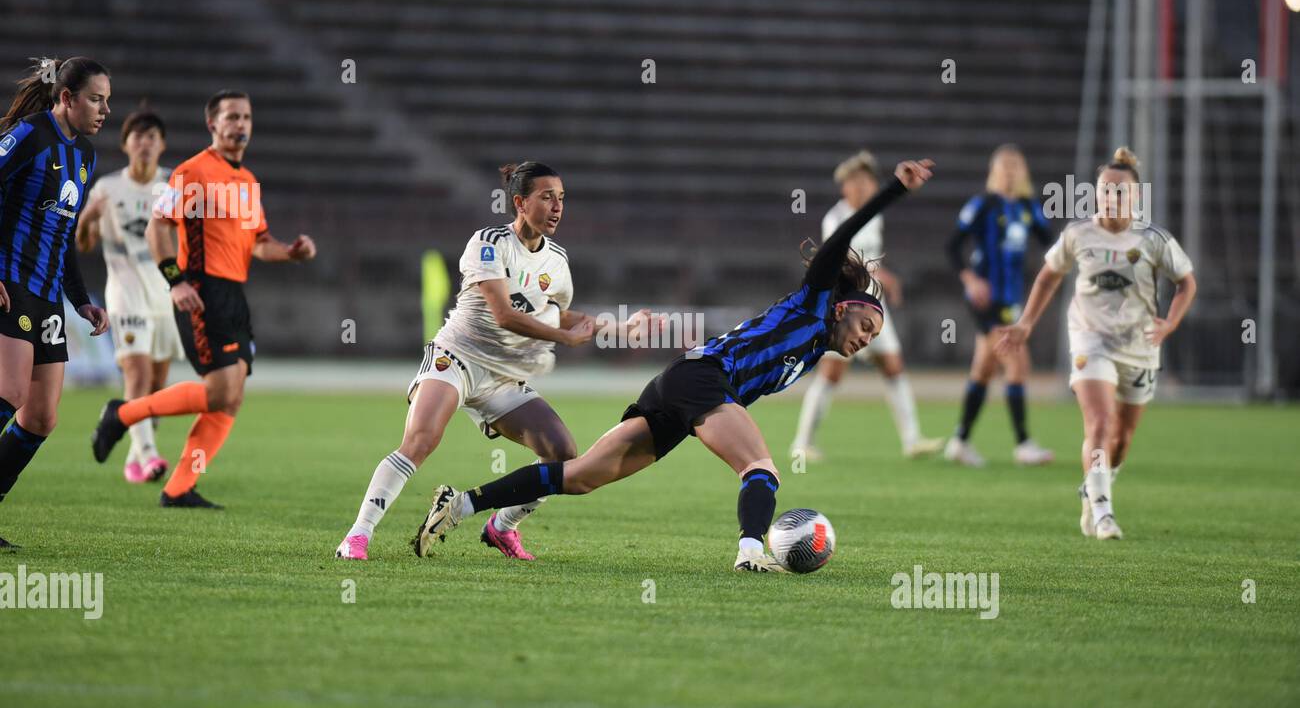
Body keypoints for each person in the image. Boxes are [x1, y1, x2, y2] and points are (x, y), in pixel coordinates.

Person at [413, 159, 935, 572]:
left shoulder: (819, 345)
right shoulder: (815, 301)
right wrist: (894, 190)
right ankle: (751, 550)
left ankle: (461, 504)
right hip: (703, 381)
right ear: (845, 308)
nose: (865, 342)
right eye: (867, 328)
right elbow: (842, 239)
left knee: (582, 477)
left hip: (682, 385)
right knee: (760, 468)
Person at [336, 161, 663, 561]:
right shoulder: (488, 242)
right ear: (520, 202)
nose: (558, 207)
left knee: (562, 454)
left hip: (503, 377)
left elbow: (557, 314)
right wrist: (563, 338)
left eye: (562, 198)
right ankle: (357, 536)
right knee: (421, 440)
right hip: (457, 358)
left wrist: (618, 326)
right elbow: (504, 314)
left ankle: (501, 527)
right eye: (547, 197)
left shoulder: (557, 261)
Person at [90, 89, 317, 507]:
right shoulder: (193, 172)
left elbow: (259, 243)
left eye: (246, 116)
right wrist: (175, 282)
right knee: (218, 392)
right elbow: (158, 228)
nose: (240, 124)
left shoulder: (247, 182)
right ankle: (122, 414)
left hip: (234, 292)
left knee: (231, 397)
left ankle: (178, 488)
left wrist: (290, 252)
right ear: (212, 124)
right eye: (231, 117)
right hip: (201, 289)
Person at [995, 147, 1196, 540]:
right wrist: (1025, 324)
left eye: (1121, 192)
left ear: (1136, 197)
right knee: (1099, 424)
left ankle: (1095, 486)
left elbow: (1187, 282)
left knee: (1121, 440)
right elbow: (1049, 276)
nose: (1112, 198)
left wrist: (1170, 322)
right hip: (1090, 340)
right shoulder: (1078, 234)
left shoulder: (1153, 239)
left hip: (1140, 346)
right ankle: (1104, 512)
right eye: (1105, 191)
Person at [0, 57, 111, 549]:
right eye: (96, 98)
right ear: (66, 98)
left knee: (41, 417)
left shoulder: (85, 156)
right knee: (9, 393)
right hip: (9, 283)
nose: (105, 108)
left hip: (47, 296)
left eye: (107, 99)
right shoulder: (28, 135)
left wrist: (81, 301)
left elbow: (63, 235)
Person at [790, 149, 943, 460]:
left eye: (865, 182)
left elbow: (871, 260)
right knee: (831, 373)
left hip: (872, 306)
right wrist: (881, 275)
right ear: (844, 187)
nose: (861, 187)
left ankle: (912, 440)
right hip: (847, 309)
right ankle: (802, 444)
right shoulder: (835, 219)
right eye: (854, 182)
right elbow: (843, 263)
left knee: (893, 367)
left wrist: (884, 280)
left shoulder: (875, 218)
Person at [76, 104, 181, 483]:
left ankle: (136, 456)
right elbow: (84, 244)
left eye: (152, 137)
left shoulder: (173, 185)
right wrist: (89, 217)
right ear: (125, 145)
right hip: (124, 293)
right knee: (136, 376)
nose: (145, 144)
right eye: (138, 137)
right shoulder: (107, 188)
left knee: (157, 384)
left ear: (162, 144)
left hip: (164, 294)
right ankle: (150, 455)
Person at [944, 143, 1054, 467]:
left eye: (1014, 165)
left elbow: (1054, 247)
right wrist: (970, 279)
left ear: (1023, 172)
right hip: (986, 300)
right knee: (1017, 363)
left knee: (984, 368)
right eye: (1003, 166)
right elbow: (952, 247)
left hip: (1012, 299)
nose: (1009, 171)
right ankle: (1023, 444)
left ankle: (960, 440)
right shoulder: (982, 205)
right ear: (994, 172)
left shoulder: (1029, 208)